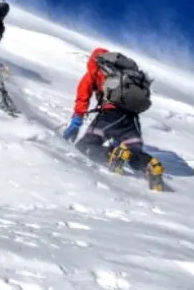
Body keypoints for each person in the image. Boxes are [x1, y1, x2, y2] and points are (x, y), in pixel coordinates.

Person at [62, 47, 165, 191]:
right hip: (132, 120)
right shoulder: (124, 74)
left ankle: (111, 154)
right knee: (134, 154)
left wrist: (76, 120)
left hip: (110, 116)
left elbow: (83, 96)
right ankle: (150, 164)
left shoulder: (96, 71)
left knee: (84, 145)